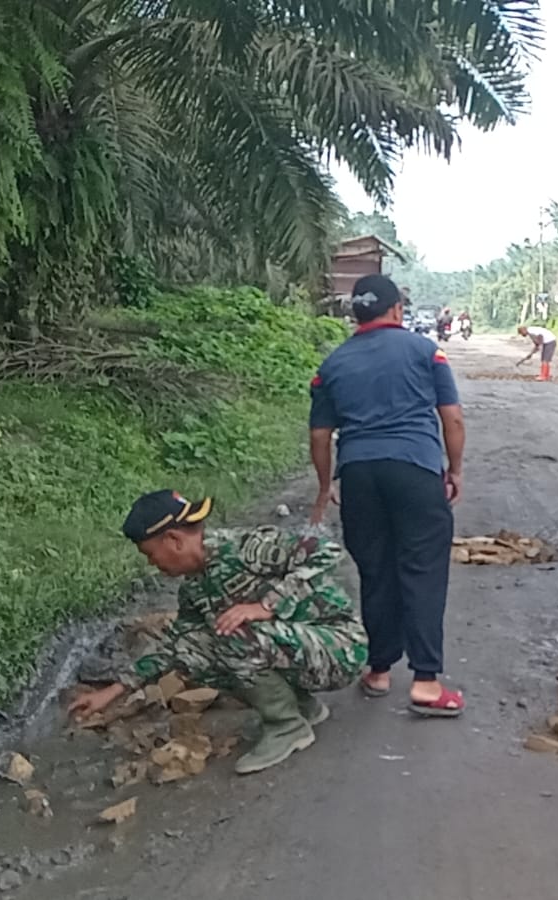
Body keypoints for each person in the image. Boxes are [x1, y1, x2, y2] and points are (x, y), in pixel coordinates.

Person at [67, 492, 368, 774]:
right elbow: (175, 645)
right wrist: (112, 691)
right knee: (193, 647)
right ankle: (303, 707)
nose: (153, 564)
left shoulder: (245, 549)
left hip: (340, 647)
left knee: (230, 632)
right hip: (300, 651)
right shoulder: (194, 587)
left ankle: (286, 727)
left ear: (173, 540)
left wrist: (266, 605)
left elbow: (327, 551)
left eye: (150, 554)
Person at [308, 274, 466, 717]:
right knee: (422, 568)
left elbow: (320, 436)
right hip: (414, 469)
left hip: (359, 473)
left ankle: (378, 670)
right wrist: (454, 470)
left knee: (375, 571)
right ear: (397, 310)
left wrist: (325, 488)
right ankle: (427, 682)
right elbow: (451, 418)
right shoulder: (424, 351)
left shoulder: (332, 365)